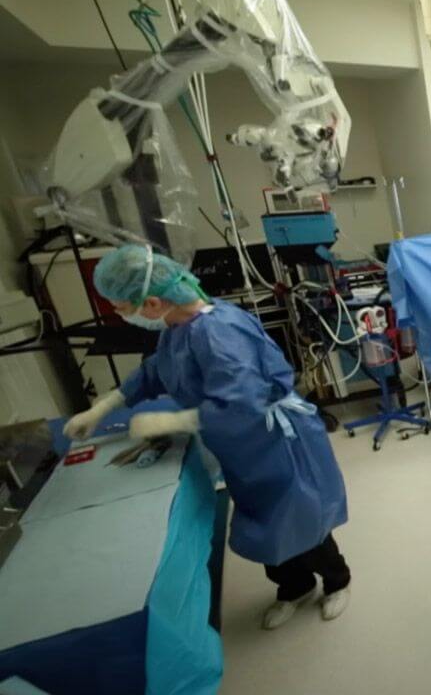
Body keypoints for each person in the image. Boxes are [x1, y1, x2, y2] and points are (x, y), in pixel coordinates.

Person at [62, 244, 352, 631]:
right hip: (242, 450)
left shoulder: (219, 331)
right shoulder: (178, 328)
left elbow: (242, 404)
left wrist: (174, 422)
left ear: (151, 302)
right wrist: (106, 405)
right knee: (262, 525)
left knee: (302, 521)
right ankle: (294, 588)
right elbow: (156, 371)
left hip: (277, 444)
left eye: (120, 307)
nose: (120, 315)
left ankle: (337, 581)